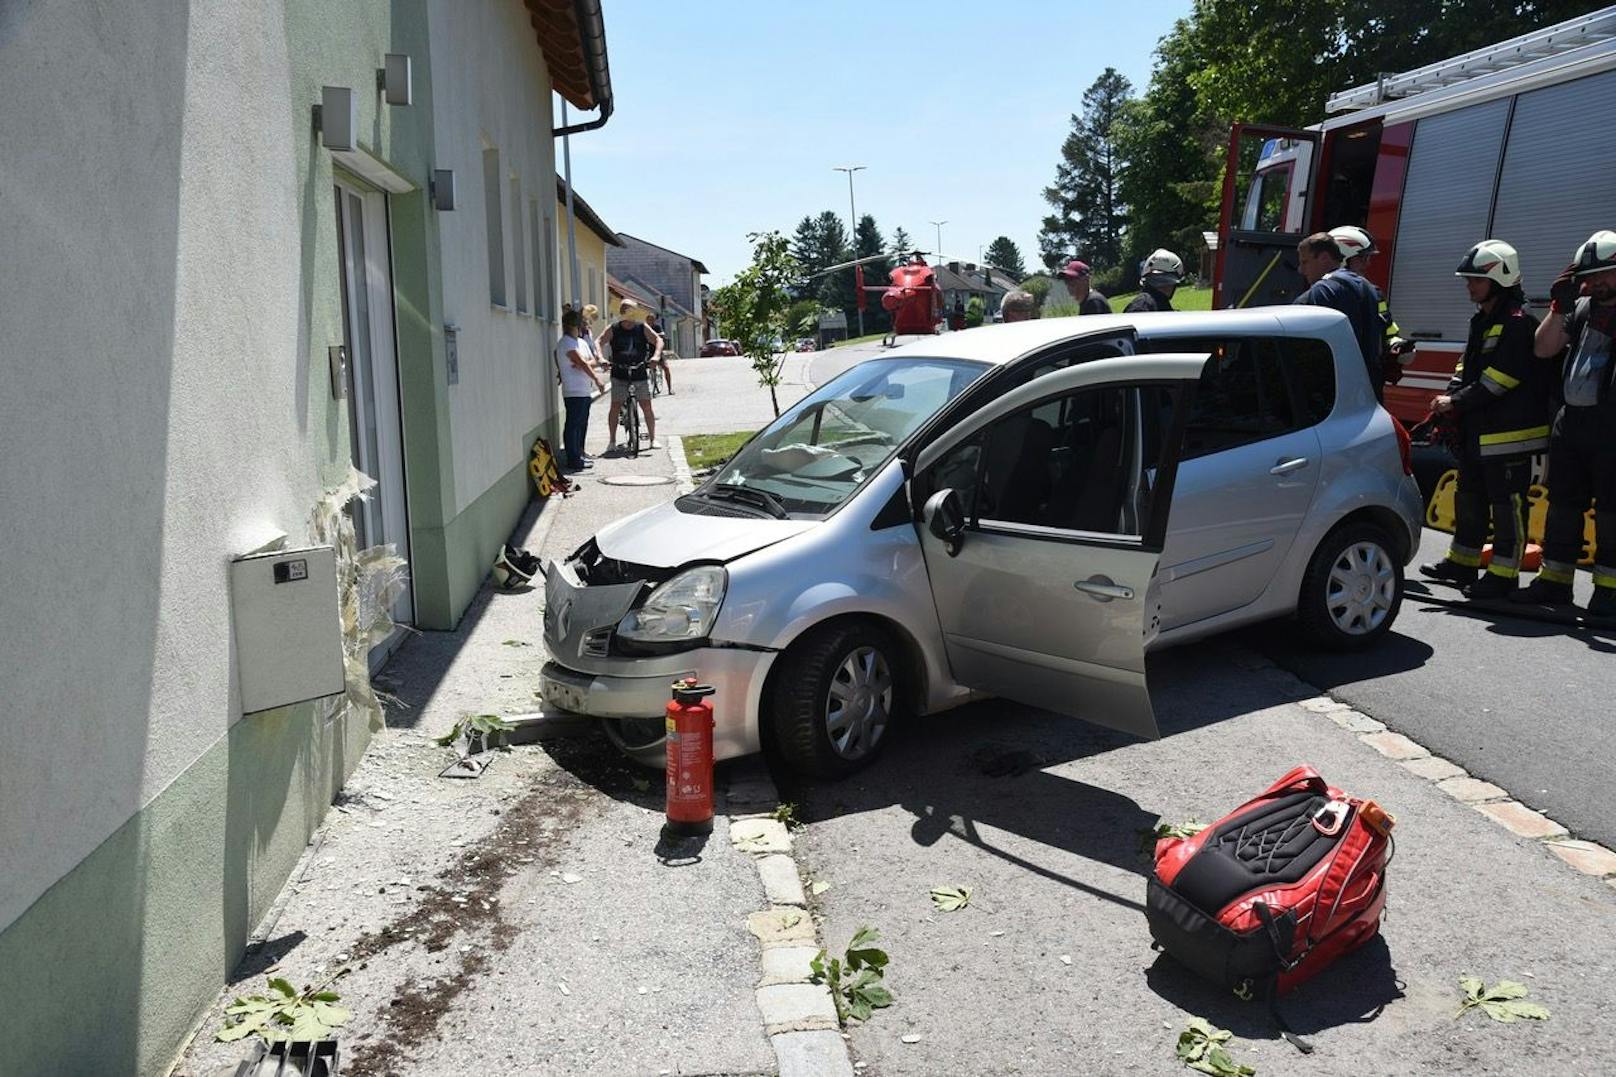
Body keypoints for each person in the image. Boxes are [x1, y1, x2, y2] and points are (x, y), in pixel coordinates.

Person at [1418, 240, 1549, 599]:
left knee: (1507, 505)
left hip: (1510, 433)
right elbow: (1466, 368)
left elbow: (1500, 380)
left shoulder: (1519, 324)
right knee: (1470, 496)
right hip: (1480, 429)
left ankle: (1504, 575)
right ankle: (1462, 562)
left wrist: (1454, 402)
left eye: (1476, 280)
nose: (1469, 287)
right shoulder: (1482, 320)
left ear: (1500, 278)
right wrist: (1449, 398)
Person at [1514, 229, 1616, 615]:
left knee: (1611, 511)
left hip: (1612, 428)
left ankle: (1609, 593)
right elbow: (1544, 349)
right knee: (1563, 506)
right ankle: (1555, 582)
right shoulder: (1585, 306)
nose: (1595, 283)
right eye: (1589, 277)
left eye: (1605, 273)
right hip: (1572, 423)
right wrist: (1559, 306)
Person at [1292, 232, 1385, 397]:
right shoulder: (1368, 287)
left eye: (1305, 262)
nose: (1301, 269)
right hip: (1369, 389)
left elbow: (1311, 351)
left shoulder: (1323, 290)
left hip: (1335, 394)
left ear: (1324, 258)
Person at [1329, 225, 1414, 385]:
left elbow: (1388, 330)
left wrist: (1397, 345)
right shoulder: (1326, 295)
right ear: (1342, 259)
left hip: (1368, 380)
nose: (1367, 264)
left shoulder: (1374, 294)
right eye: (1362, 258)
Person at [597, 300, 660, 451]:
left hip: (639, 371)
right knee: (615, 406)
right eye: (624, 309)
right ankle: (612, 442)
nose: (628, 312)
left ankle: (653, 439)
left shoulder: (641, 327)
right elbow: (599, 341)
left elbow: (658, 339)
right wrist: (600, 358)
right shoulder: (614, 328)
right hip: (619, 372)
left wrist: (656, 356)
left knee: (646, 406)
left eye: (630, 309)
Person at [555, 309, 604, 472]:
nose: (582, 326)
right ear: (574, 325)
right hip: (573, 391)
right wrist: (596, 378)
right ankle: (573, 460)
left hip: (584, 390)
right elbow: (582, 363)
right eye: (580, 324)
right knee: (573, 425)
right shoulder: (566, 343)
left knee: (582, 424)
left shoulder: (581, 343)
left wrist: (585, 363)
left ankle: (580, 454)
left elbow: (592, 361)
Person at [645, 311, 675, 395]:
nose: (650, 321)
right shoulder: (644, 328)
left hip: (658, 351)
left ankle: (670, 389)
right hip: (647, 352)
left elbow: (662, 334)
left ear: (654, 320)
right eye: (648, 320)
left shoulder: (657, 327)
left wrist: (656, 335)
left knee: (666, 368)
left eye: (652, 319)